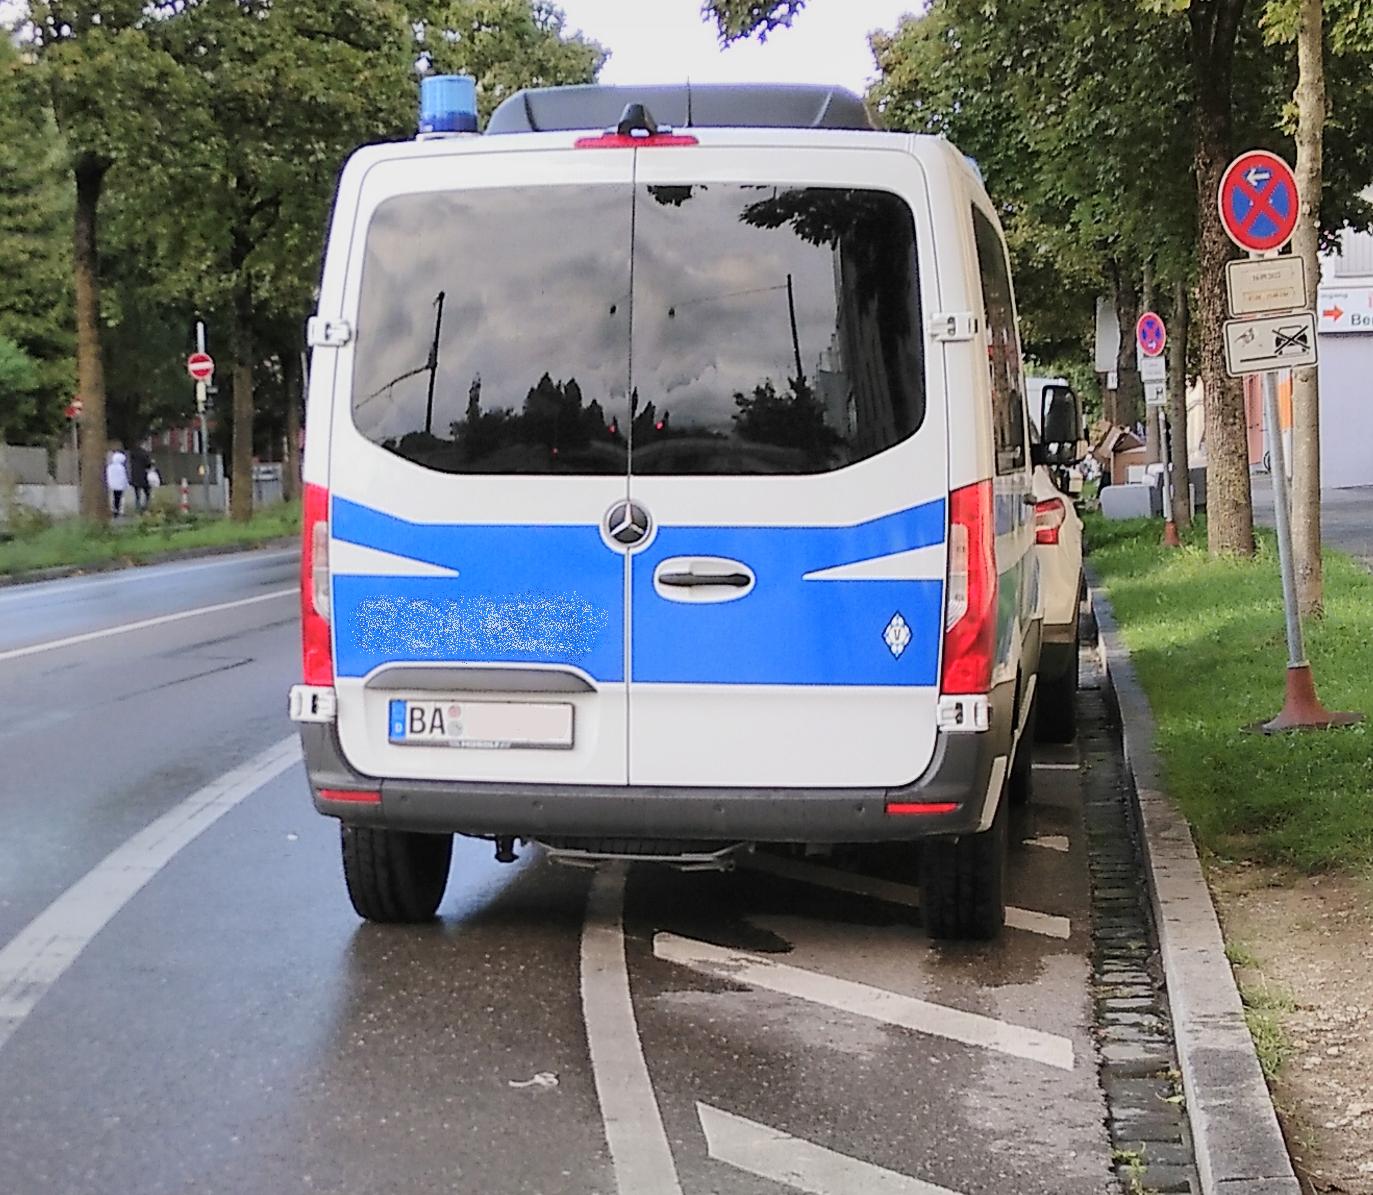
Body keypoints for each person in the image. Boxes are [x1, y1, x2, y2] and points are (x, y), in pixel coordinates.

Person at [128, 445, 153, 512]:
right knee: (147, 492)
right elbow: (148, 464)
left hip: (135, 475)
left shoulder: (132, 454)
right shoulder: (144, 454)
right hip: (143, 475)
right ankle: (146, 506)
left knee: (137, 493)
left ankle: (137, 506)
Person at [106, 449, 129, 517]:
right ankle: (118, 510)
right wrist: (126, 484)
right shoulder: (121, 468)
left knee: (112, 498)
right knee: (119, 498)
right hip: (119, 486)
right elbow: (123, 477)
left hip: (111, 485)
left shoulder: (110, 467)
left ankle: (113, 510)